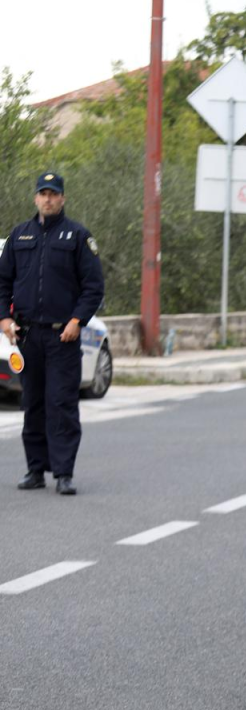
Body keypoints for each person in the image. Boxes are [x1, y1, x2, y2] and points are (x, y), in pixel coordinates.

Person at [0, 173, 105, 496]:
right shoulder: (20, 235)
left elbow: (93, 287)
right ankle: (35, 470)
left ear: (63, 198)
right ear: (35, 198)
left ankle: (63, 473)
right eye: (43, 194)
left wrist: (77, 321)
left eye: (53, 194)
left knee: (61, 404)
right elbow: (2, 282)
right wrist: (4, 318)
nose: (48, 199)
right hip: (28, 336)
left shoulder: (78, 236)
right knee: (32, 403)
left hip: (63, 338)